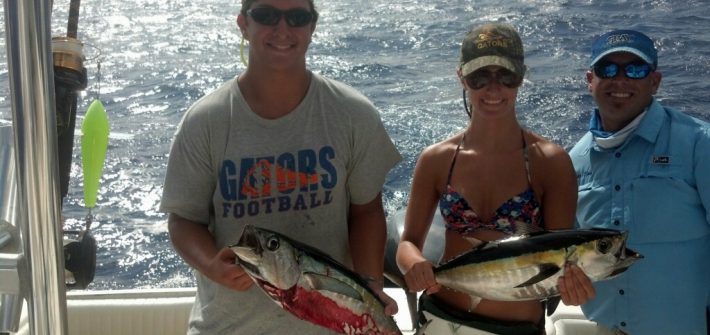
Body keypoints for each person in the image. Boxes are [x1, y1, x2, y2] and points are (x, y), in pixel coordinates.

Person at [159, 0, 401, 334]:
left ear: (312, 27)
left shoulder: (353, 114)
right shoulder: (205, 122)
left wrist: (371, 283)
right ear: (244, 23)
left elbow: (366, 212)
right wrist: (211, 265)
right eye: (267, 15)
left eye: (298, 17)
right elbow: (183, 220)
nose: (283, 29)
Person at [396, 23, 595, 335]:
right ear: (461, 76)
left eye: (506, 76)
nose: (493, 89)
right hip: (440, 319)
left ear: (521, 77)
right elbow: (408, 243)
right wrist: (413, 263)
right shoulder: (436, 159)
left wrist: (573, 285)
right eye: (479, 77)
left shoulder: (549, 162)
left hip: (515, 327)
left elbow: (561, 256)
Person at [570, 29, 710, 335]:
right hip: (608, 328)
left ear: (655, 81)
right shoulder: (574, 161)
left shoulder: (699, 143)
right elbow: (566, 253)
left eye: (635, 69)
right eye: (608, 69)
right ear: (590, 80)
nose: (621, 80)